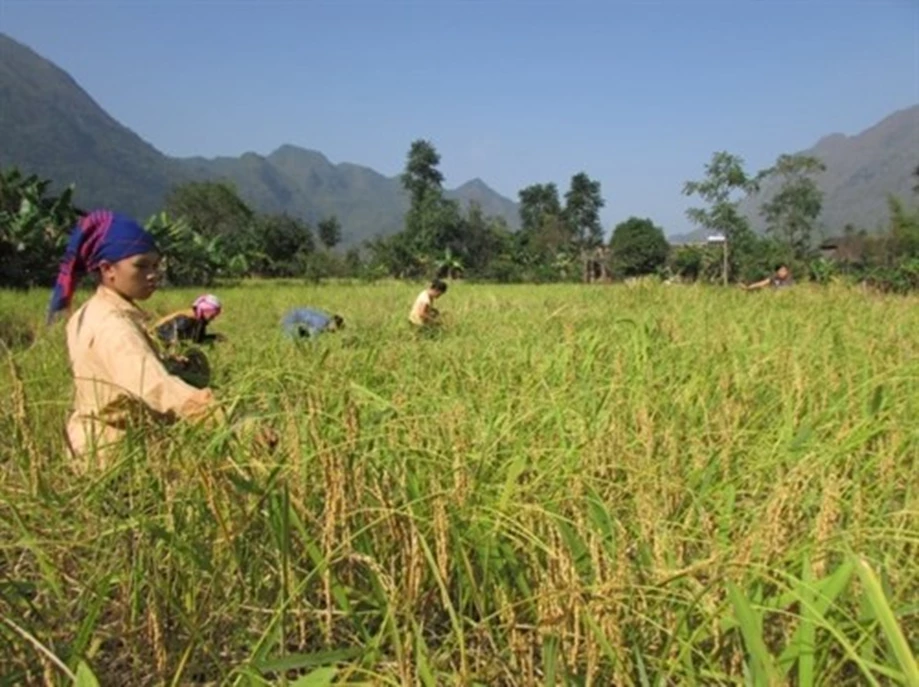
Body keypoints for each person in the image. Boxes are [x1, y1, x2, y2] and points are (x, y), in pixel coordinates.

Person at [47, 210, 257, 462]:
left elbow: (116, 375)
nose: (153, 274)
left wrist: (170, 365)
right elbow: (154, 387)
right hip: (114, 453)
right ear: (107, 269)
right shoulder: (114, 325)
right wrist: (233, 422)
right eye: (141, 265)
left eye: (156, 265)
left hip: (88, 443)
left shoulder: (87, 313)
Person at [152, 293, 225, 348]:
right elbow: (167, 338)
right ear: (205, 310)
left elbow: (198, 340)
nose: (213, 319)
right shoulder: (185, 320)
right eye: (212, 316)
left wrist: (215, 337)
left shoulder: (200, 321)